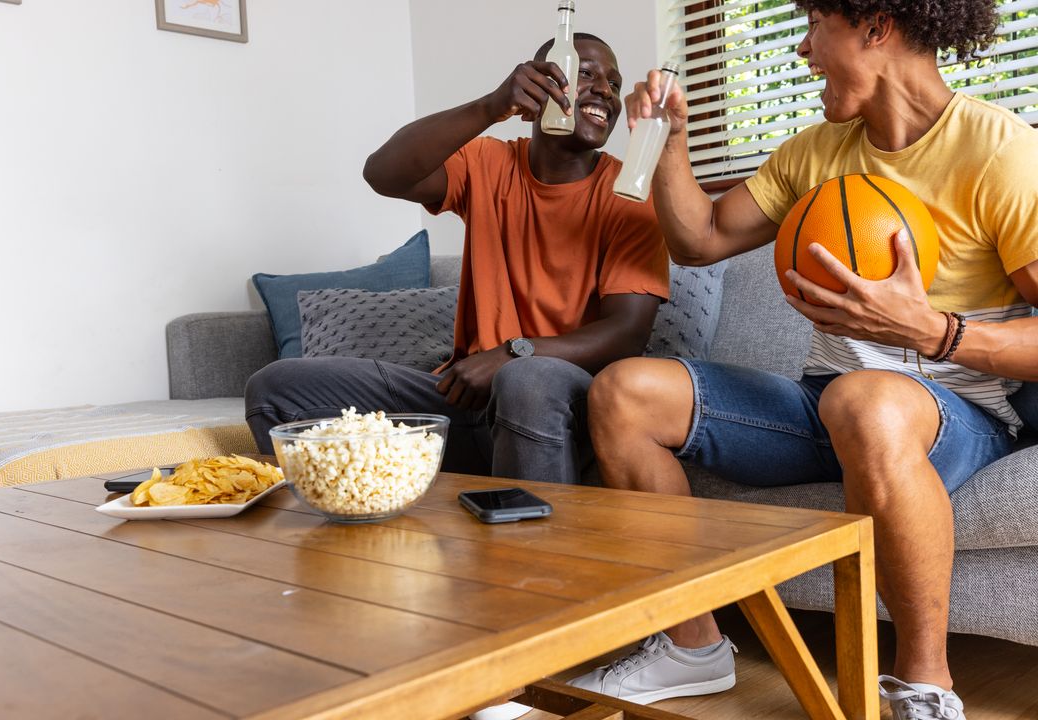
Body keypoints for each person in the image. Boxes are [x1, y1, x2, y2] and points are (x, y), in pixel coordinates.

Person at [573, 2, 1038, 719]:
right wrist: (668, 142)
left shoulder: (999, 151)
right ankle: (694, 646)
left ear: (875, 25)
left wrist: (932, 329)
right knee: (622, 392)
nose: (801, 49)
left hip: (953, 414)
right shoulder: (816, 150)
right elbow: (697, 240)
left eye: (815, 24)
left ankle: (925, 686)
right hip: (827, 406)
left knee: (867, 401)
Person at [245, 33, 669, 490]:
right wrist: (491, 106)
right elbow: (383, 173)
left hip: (559, 409)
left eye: (613, 81)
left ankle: (533, 551)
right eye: (587, 74)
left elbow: (627, 334)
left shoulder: (630, 196)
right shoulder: (489, 163)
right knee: (276, 389)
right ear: (544, 81)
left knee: (526, 381)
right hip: (464, 401)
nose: (606, 90)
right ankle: (368, 518)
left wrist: (511, 355)